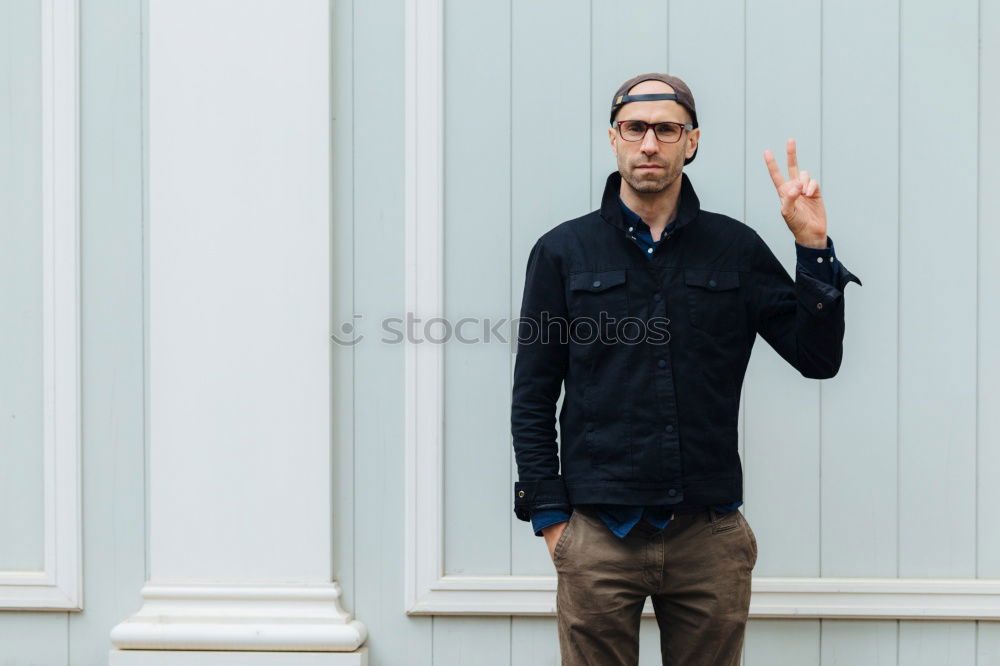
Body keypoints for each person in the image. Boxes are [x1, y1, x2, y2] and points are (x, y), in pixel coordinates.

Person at [510, 73, 862, 665]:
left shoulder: (736, 249)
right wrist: (552, 520)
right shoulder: (562, 253)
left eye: (666, 129)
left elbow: (817, 358)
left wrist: (813, 249)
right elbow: (533, 395)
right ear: (613, 137)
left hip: (709, 535)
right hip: (597, 535)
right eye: (636, 128)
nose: (650, 143)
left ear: (690, 141)